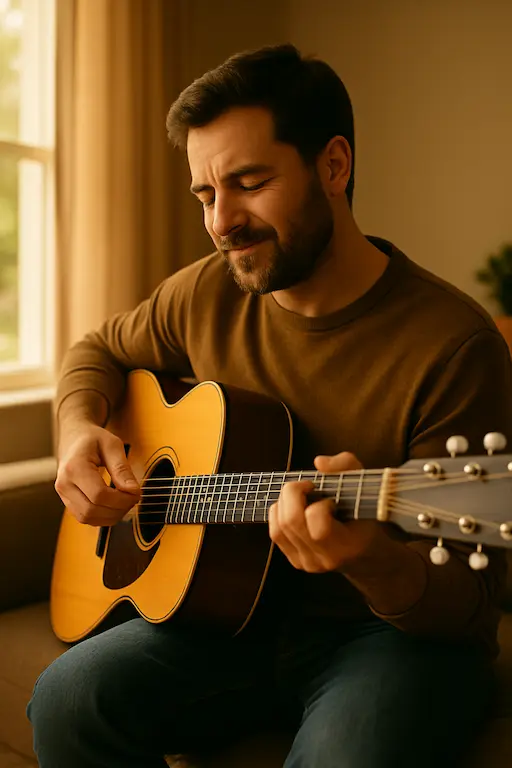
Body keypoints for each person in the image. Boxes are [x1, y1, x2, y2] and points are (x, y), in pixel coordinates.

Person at [28, 44, 512, 768]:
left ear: (334, 166)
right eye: (205, 195)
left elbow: (470, 605)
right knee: (66, 701)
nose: (223, 222)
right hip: (229, 622)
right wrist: (76, 430)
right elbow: (97, 349)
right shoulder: (202, 292)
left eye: (250, 183)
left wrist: (372, 561)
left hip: (389, 641)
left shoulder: (452, 344)